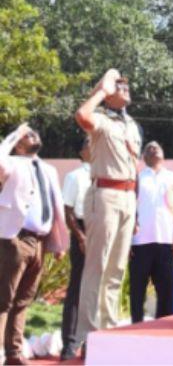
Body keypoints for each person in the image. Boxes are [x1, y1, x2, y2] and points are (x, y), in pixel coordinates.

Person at [73, 69, 142, 353]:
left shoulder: (132, 125)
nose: (124, 88)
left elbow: (135, 166)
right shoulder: (101, 118)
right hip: (105, 194)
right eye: (118, 86)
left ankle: (109, 330)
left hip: (127, 196)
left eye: (126, 86)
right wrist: (103, 89)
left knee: (116, 269)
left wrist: (136, 209)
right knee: (97, 266)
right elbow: (82, 115)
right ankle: (88, 336)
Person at [0, 123, 67, 366]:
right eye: (26, 135)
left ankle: (14, 353)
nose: (32, 134)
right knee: (3, 299)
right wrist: (12, 137)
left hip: (40, 242)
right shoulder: (11, 163)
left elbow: (56, 206)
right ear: (18, 145)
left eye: (33, 132)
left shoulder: (48, 169)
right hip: (15, 239)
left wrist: (58, 243)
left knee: (23, 300)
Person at [129, 141, 173, 324]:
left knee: (167, 289)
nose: (153, 148)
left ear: (163, 154)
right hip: (140, 243)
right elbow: (130, 208)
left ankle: (163, 327)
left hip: (165, 241)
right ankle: (136, 326)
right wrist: (127, 241)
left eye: (157, 147)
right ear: (143, 157)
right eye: (149, 148)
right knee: (137, 290)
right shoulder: (137, 178)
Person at [59, 138, 92, 361]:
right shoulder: (75, 176)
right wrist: (80, 237)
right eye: (89, 143)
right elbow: (68, 210)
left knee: (96, 290)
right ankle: (70, 343)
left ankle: (91, 343)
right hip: (82, 230)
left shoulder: (105, 174)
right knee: (77, 288)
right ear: (81, 152)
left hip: (101, 229)